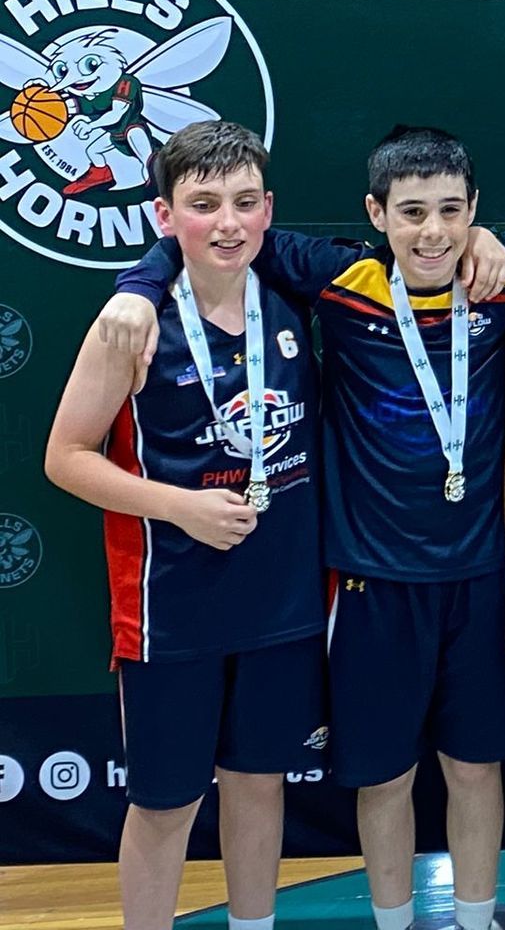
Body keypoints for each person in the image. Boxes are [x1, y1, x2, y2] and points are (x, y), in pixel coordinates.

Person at [101, 125, 505, 930]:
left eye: (449, 212)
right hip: (370, 582)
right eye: (411, 213)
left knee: (476, 772)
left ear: (474, 211)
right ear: (377, 212)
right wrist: (136, 280)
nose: (432, 232)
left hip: (478, 580)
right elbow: (222, 235)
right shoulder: (338, 278)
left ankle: (472, 919)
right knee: (385, 779)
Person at [44, 122, 325, 930]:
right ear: (165, 217)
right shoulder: (130, 323)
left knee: (258, 784)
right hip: (172, 608)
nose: (228, 223)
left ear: (269, 209)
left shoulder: (298, 300)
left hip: (281, 603)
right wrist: (179, 506)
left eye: (244, 202)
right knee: (165, 802)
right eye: (204, 205)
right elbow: (65, 456)